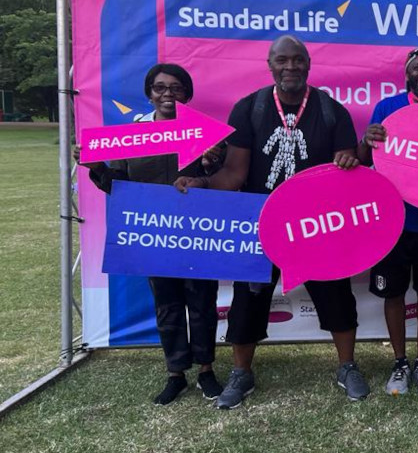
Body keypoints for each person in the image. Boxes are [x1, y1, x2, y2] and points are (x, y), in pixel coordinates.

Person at [174, 35, 369, 408]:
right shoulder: (250, 108)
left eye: (298, 60)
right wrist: (201, 183)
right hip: (261, 221)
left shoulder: (331, 109)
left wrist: (349, 161)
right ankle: (241, 373)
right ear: (270, 65)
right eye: (283, 60)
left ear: (308, 65)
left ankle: (347, 366)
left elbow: (345, 167)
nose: (290, 67)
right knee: (248, 300)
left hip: (316, 222)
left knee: (337, 296)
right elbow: (234, 173)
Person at [76, 63, 224, 405]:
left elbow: (223, 180)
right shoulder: (132, 136)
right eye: (160, 88)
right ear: (149, 94)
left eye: (176, 88)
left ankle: (206, 370)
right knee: (167, 306)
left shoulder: (207, 133)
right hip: (153, 237)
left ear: (187, 93)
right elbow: (120, 186)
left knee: (202, 304)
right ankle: (175, 374)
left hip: (198, 235)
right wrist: (97, 168)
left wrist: (211, 163)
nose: (168, 94)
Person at [358, 47, 418, 396]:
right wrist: (367, 141)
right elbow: (365, 157)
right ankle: (400, 363)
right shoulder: (387, 108)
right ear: (408, 75)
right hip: (393, 220)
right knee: (394, 293)